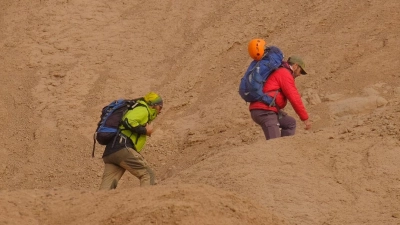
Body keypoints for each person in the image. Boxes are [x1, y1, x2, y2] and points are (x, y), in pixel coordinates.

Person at [99, 92, 163, 189]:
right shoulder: (143, 109)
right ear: (153, 106)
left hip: (111, 152)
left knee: (106, 187)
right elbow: (127, 121)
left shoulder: (137, 108)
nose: (161, 111)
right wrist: (145, 130)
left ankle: (98, 204)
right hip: (122, 148)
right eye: (160, 107)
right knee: (148, 175)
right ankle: (146, 203)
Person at [249, 56, 311, 140]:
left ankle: (284, 150)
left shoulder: (281, 72)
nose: (300, 74)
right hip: (264, 111)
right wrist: (305, 118)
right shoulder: (284, 73)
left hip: (268, 109)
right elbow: (294, 98)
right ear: (295, 66)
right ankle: (278, 151)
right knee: (274, 143)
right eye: (300, 71)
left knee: (290, 123)